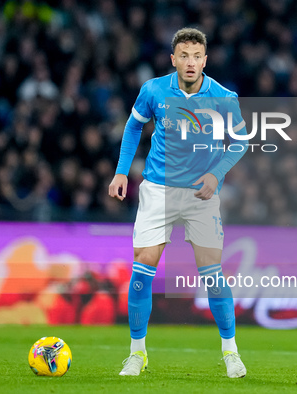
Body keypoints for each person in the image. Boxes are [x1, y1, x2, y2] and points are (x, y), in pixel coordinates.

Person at [108, 28, 248, 378]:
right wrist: (122, 172)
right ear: (173, 59)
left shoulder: (222, 97)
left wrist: (216, 175)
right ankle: (137, 354)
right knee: (142, 271)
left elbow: (241, 141)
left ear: (205, 59)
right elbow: (132, 128)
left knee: (213, 275)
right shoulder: (153, 90)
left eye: (196, 56)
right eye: (183, 56)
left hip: (202, 193)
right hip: (158, 190)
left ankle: (231, 352)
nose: (190, 62)